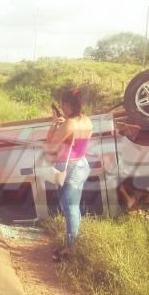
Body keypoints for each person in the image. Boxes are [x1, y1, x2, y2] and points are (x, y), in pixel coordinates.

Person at [43, 88, 93, 261]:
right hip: (82, 165)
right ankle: (73, 244)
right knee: (74, 206)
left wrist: (54, 123)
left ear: (67, 105)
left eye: (63, 105)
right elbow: (75, 136)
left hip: (68, 168)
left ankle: (68, 250)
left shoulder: (68, 124)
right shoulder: (87, 121)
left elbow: (50, 144)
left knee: (69, 207)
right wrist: (63, 124)